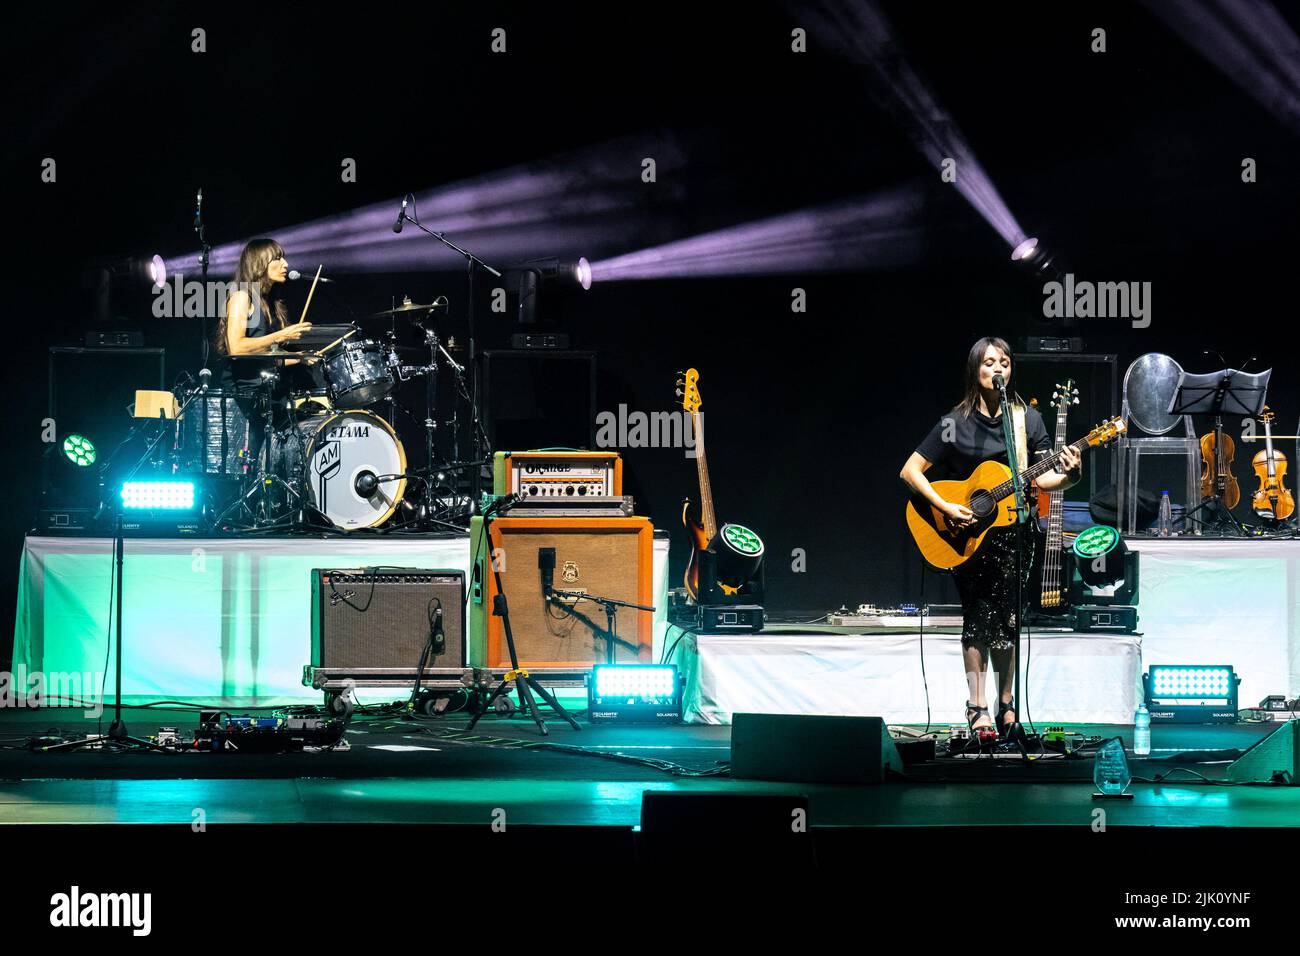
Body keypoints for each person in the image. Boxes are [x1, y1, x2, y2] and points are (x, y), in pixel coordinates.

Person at [899, 336, 1081, 736]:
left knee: (1010, 619)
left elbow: (1045, 476)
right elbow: (910, 471)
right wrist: (946, 506)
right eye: (988, 363)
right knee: (978, 620)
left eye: (1004, 362)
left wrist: (1072, 472)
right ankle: (976, 707)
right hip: (968, 539)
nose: (997, 369)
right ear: (975, 370)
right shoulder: (954, 422)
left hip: (1015, 535)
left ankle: (1007, 707)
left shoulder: (1026, 420)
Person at [213, 239, 314, 469]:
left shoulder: (271, 303)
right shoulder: (241, 296)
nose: (286, 264)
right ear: (260, 264)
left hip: (266, 391)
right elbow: (236, 348)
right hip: (245, 397)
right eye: (278, 258)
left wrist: (301, 358)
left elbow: (266, 357)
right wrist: (280, 336)